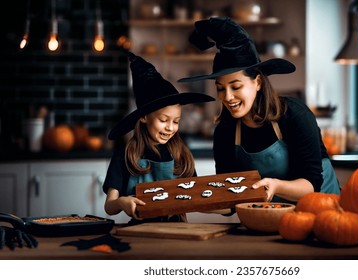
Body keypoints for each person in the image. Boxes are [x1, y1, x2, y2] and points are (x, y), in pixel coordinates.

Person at [178, 17, 340, 203]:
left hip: (322, 212)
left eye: (236, 87)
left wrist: (276, 186)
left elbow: (312, 186)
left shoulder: (295, 115)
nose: (227, 97)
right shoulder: (225, 131)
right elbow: (229, 196)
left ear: (258, 82)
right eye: (220, 89)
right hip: (268, 219)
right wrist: (195, 194)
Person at [102, 52, 214, 223]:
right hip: (139, 234)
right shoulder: (125, 155)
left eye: (176, 121)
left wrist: (229, 205)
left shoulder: (181, 154)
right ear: (144, 117)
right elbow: (109, 206)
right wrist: (121, 202)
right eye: (163, 120)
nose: (170, 128)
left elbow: (198, 198)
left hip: (179, 234)